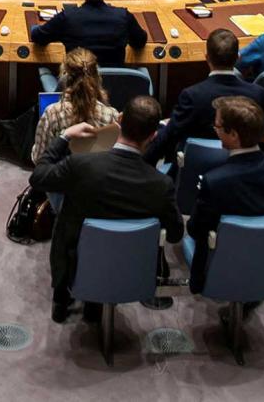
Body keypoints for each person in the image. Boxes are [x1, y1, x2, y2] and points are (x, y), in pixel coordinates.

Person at [29, 95, 181, 324]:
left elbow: (38, 178)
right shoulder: (161, 185)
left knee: (66, 226)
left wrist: (64, 137)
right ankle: (94, 306)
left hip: (75, 261)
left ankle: (61, 300)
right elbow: (176, 233)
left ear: (120, 119)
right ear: (153, 136)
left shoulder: (81, 165)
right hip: (131, 267)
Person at [187, 96, 264, 291]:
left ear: (233, 135)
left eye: (216, 126)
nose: (214, 130)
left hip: (224, 264)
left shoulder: (214, 181)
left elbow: (195, 229)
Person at [150, 29, 264, 162]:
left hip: (195, 167)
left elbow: (170, 136)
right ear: (238, 58)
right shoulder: (257, 93)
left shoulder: (192, 95)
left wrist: (143, 163)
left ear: (207, 57)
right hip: (246, 167)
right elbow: (263, 137)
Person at [30, 0, 145, 67]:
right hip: (114, 87)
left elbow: (37, 36)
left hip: (78, 87)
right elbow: (140, 41)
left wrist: (37, 27)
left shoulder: (67, 17)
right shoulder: (123, 16)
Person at [30, 48, 118, 165]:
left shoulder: (52, 113)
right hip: (98, 181)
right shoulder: (112, 115)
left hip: (62, 180)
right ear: (97, 77)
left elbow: (39, 159)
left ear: (65, 77)